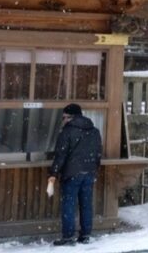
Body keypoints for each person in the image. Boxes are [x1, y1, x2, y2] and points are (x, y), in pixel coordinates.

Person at [48, 104, 103, 246]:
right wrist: (94, 169)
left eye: (65, 117)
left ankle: (68, 237)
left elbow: (60, 155)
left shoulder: (67, 131)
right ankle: (85, 235)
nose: (63, 120)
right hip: (89, 172)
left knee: (69, 204)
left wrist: (53, 173)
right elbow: (98, 153)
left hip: (72, 173)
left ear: (71, 117)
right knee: (86, 204)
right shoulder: (94, 131)